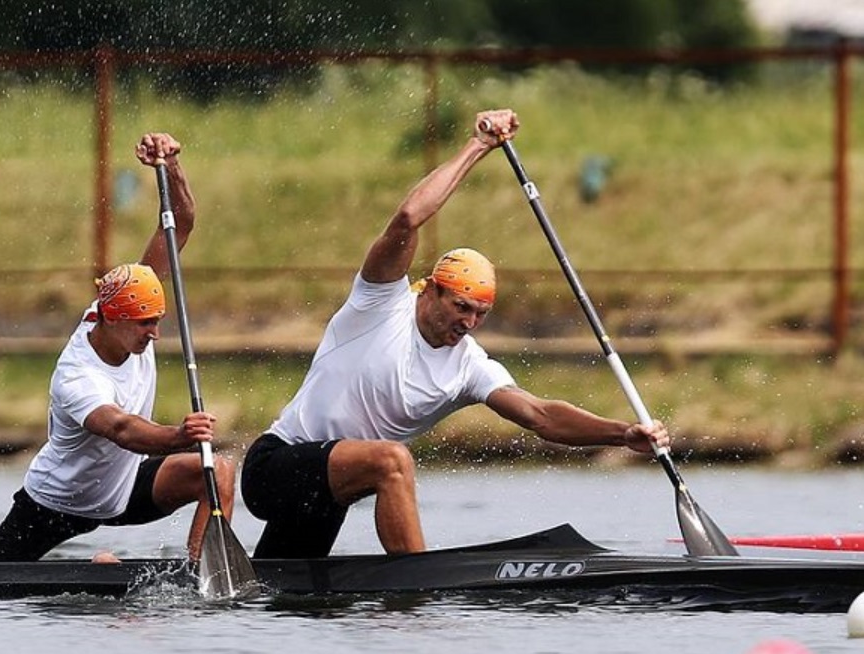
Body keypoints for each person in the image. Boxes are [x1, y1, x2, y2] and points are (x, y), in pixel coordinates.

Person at [240, 108, 670, 559]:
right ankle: (417, 584)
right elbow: (407, 219)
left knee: (282, 591)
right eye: (461, 307)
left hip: (329, 492)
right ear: (431, 290)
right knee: (393, 461)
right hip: (274, 466)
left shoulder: (468, 366)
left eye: (480, 314)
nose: (467, 322)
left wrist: (622, 434)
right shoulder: (379, 303)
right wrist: (479, 146)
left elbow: (540, 416)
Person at [0, 132, 235, 562]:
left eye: (157, 323)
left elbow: (181, 224)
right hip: (59, 502)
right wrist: (178, 435)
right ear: (110, 319)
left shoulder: (132, 299)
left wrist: (169, 165)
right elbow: (122, 430)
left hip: (124, 488)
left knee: (215, 472)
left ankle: (202, 573)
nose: (153, 335)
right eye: (144, 326)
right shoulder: (77, 376)